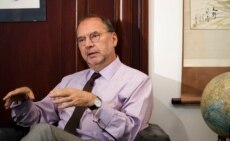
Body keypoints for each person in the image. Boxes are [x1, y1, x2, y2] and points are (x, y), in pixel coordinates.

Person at [2, 15, 153, 141]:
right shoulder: (70, 80)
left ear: (113, 39)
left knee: (43, 132)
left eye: (95, 36)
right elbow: (37, 118)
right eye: (81, 40)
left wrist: (93, 102)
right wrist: (23, 103)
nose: (87, 44)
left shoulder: (137, 81)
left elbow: (131, 132)